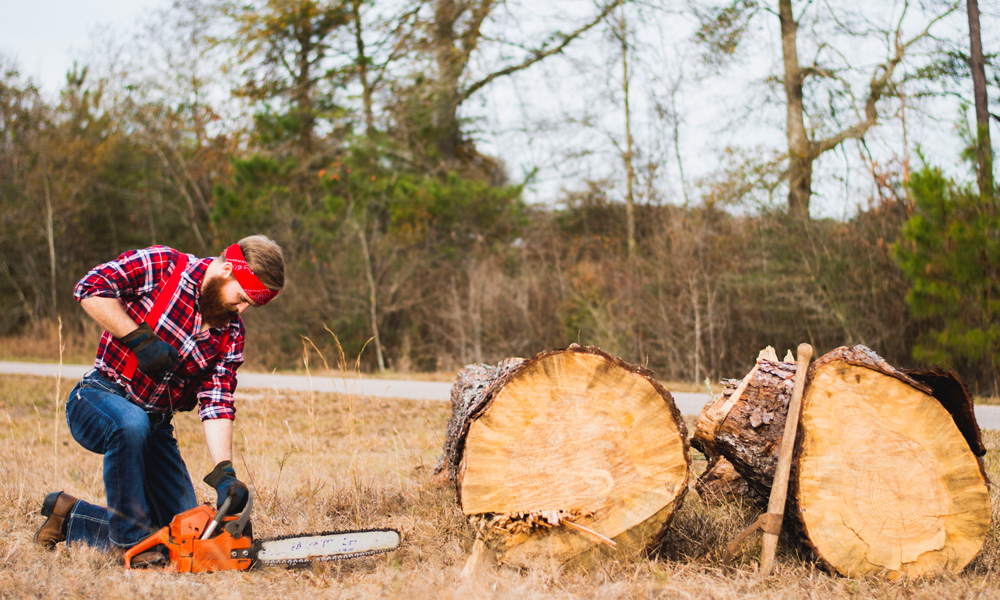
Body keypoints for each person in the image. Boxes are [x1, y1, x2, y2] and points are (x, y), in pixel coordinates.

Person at [33, 235, 285, 566]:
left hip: (155, 426)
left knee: (189, 541)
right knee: (130, 424)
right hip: (99, 397)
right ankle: (130, 546)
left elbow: (217, 399)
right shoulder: (165, 267)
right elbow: (89, 288)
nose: (241, 310)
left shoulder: (231, 333)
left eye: (251, 305)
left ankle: (69, 515)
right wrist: (137, 337)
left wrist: (224, 471)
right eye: (241, 298)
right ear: (226, 269)